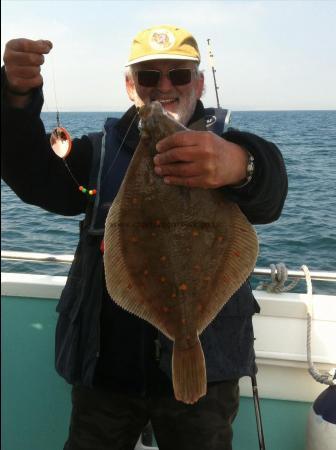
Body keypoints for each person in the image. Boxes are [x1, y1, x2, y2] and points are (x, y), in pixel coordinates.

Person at [1, 25, 288, 450]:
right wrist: (16, 98)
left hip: (208, 374)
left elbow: (271, 196)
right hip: (106, 370)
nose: (164, 87)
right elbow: (32, 175)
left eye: (179, 74)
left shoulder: (228, 150)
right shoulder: (100, 154)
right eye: (150, 76)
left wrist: (243, 164)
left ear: (199, 82)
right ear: (130, 85)